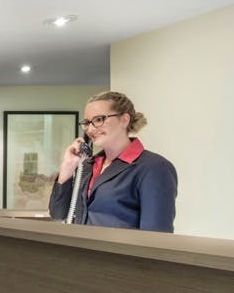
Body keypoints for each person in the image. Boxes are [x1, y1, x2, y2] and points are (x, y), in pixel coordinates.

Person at [49, 90, 177, 231]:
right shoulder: (88, 166)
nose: (90, 129)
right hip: (81, 252)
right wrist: (67, 167)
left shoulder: (154, 168)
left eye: (99, 120)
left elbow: (156, 236)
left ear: (124, 120)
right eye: (87, 123)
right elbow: (58, 214)